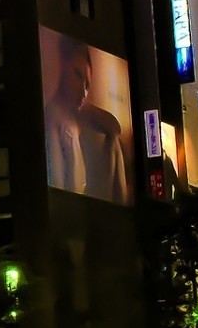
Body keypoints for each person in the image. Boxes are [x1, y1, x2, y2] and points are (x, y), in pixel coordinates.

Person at [42, 33, 131, 203]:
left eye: (88, 84)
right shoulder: (53, 118)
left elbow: (113, 126)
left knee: (112, 141)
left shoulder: (76, 116)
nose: (83, 91)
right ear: (62, 67)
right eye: (77, 75)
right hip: (67, 211)